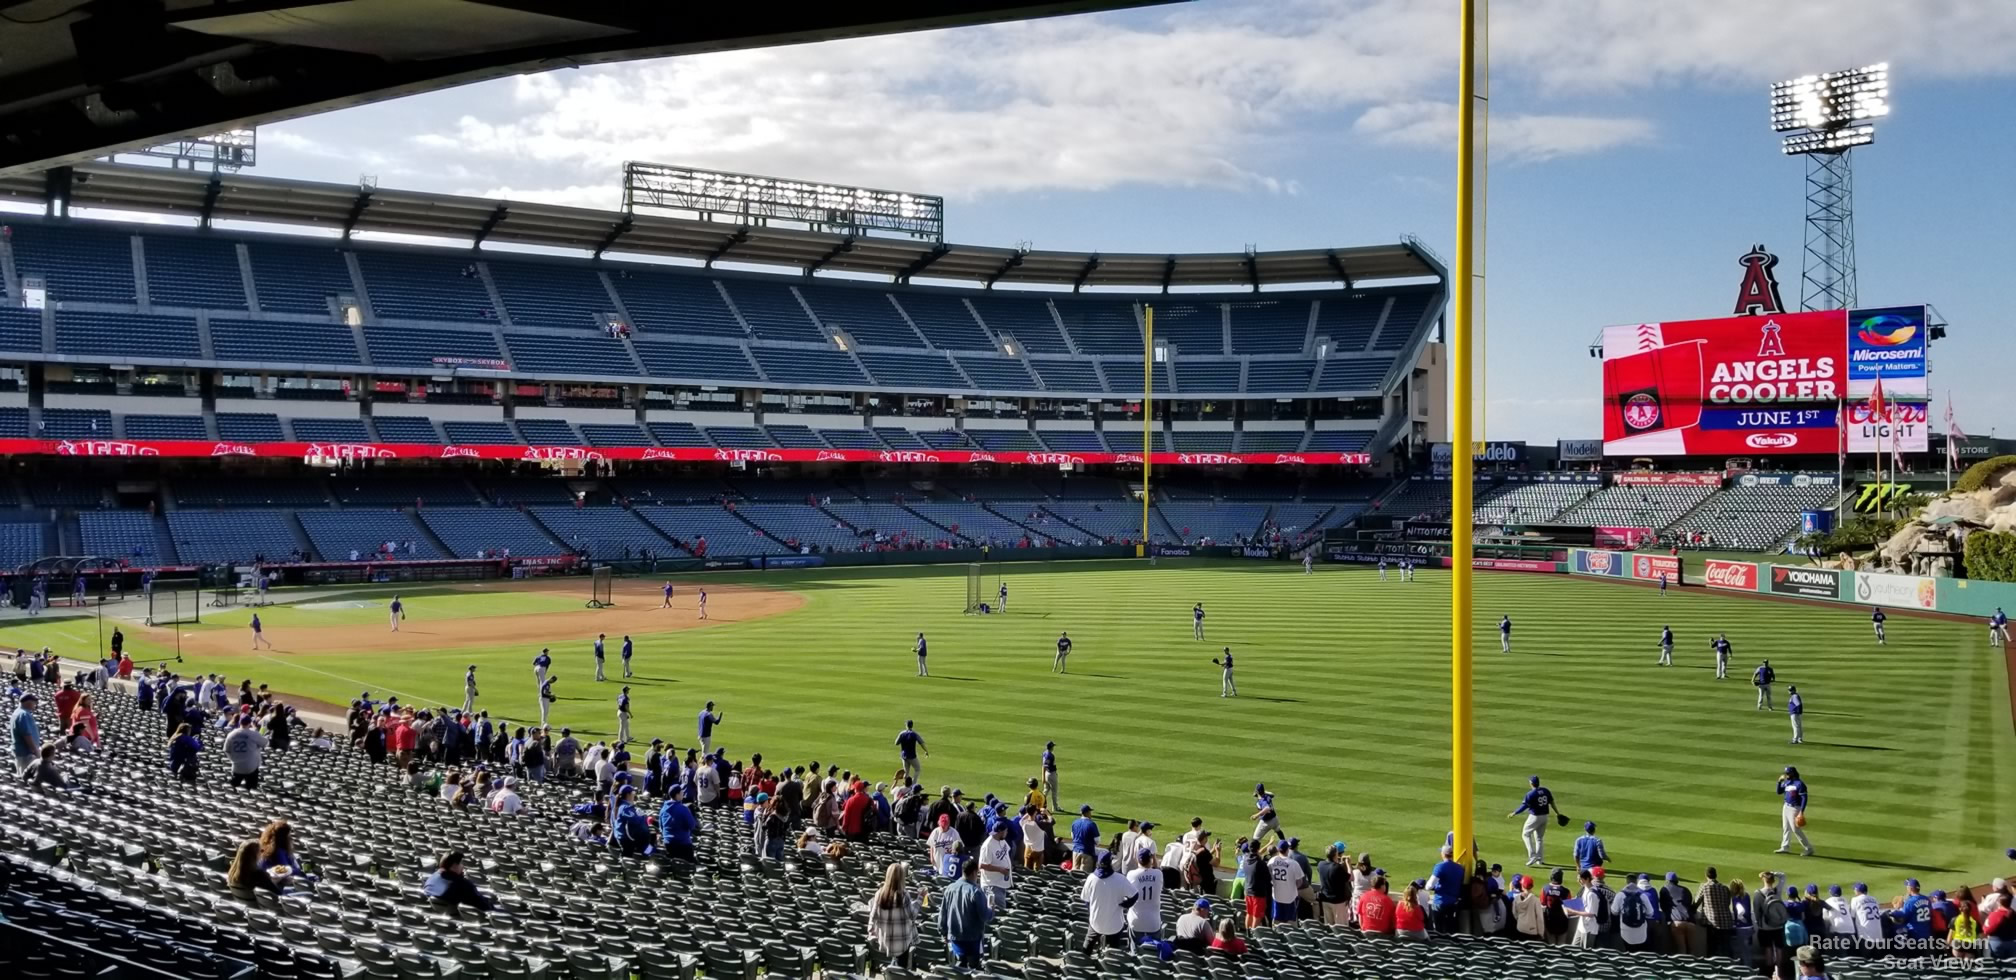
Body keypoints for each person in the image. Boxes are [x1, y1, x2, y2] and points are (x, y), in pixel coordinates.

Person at [868, 862, 921, 972]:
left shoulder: (879, 894)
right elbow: (912, 915)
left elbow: (872, 917)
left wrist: (872, 931)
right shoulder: (903, 895)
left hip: (886, 939)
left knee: (895, 962)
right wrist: (920, 899)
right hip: (902, 941)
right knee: (900, 969)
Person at [941, 857, 992, 968]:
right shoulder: (976, 892)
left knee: (960, 967)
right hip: (973, 938)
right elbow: (985, 916)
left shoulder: (949, 888)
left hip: (954, 936)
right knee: (974, 967)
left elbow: (943, 913)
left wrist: (943, 932)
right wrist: (991, 909)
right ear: (974, 872)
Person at [1081, 853, 1138, 951]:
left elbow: (1086, 901)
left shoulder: (1091, 878)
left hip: (1096, 923)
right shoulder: (1120, 879)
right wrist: (1126, 905)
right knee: (1113, 952)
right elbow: (1135, 895)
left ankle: (1082, 961)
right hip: (1115, 926)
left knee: (1087, 948)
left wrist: (1093, 913)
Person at [1510, 774, 1561, 866]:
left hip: (1535, 817)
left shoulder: (1530, 794)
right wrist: (1557, 813)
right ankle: (1539, 859)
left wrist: (1515, 812)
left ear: (1531, 783)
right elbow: (1552, 802)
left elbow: (1524, 806)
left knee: (1525, 834)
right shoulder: (1545, 791)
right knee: (1539, 838)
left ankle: (1533, 856)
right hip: (1545, 817)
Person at [424, 851, 494, 911]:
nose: (463, 866)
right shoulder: (462, 885)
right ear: (454, 866)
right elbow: (484, 907)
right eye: (461, 863)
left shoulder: (432, 879)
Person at [1776, 765, 1813, 856]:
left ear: (1793, 773)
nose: (1786, 775)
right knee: (1786, 827)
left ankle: (1809, 848)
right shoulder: (1787, 782)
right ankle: (1785, 847)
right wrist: (1779, 782)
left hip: (1795, 808)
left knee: (1795, 829)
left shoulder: (1799, 784)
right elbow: (1779, 792)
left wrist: (1801, 812)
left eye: (1788, 773)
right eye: (1786, 773)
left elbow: (1804, 798)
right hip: (1786, 807)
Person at [223, 715, 268, 789]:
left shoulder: (231, 734)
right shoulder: (253, 733)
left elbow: (226, 750)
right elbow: (265, 743)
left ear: (240, 722)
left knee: (233, 789)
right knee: (251, 790)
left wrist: (233, 760)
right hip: (251, 767)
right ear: (249, 723)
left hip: (236, 766)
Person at [1267, 840, 1307, 924]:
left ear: (1278, 849)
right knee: (1291, 923)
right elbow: (1300, 882)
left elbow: (1268, 877)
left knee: (1277, 922)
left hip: (1276, 897)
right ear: (1288, 850)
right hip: (1290, 898)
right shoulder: (1293, 863)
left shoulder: (1271, 861)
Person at [1697, 866, 1734, 958]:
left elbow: (1696, 902)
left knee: (1712, 949)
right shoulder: (1725, 888)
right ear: (1716, 875)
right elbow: (1727, 903)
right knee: (1726, 948)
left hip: (1712, 922)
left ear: (1706, 875)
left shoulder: (1704, 887)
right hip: (1726, 922)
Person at [978, 821, 1015, 909]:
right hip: (992, 885)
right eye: (1006, 831)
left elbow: (1006, 853)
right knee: (999, 911)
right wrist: (1000, 869)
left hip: (1000, 883)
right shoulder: (987, 846)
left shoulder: (1001, 840)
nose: (1007, 833)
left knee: (1000, 910)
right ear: (1000, 832)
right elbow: (982, 865)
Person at [1614, 873, 1656, 950]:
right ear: (1636, 882)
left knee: (1628, 952)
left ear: (1626, 882)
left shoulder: (1620, 895)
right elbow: (1650, 913)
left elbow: (1614, 911)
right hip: (1641, 930)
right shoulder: (1642, 895)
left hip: (1626, 930)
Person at [657, 784, 697, 861]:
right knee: (689, 865)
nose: (683, 793)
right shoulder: (683, 809)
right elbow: (692, 825)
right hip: (683, 845)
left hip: (668, 844)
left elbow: (661, 827)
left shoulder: (663, 809)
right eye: (681, 792)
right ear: (677, 795)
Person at [11, 692, 41, 775]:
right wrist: (35, 750)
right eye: (34, 702)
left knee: (22, 776)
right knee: (27, 778)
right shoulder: (23, 714)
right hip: (27, 753)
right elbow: (27, 735)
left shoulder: (17, 712)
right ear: (28, 702)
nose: (35, 704)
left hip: (21, 751)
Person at [1070, 804, 1100, 872]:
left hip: (1075, 851)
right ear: (1087, 813)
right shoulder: (1091, 824)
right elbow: (1097, 841)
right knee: (1084, 875)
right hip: (1087, 852)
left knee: (1074, 873)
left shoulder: (1075, 822)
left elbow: (1073, 836)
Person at [1041, 740, 1059, 806]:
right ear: (1051, 747)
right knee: (1054, 791)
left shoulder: (1044, 753)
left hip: (1047, 773)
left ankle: (1040, 803)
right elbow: (1045, 765)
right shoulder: (1050, 755)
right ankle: (1055, 807)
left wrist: (1043, 776)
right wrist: (1043, 777)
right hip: (1051, 774)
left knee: (1046, 790)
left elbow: (1043, 765)